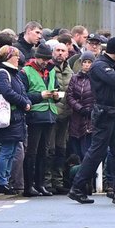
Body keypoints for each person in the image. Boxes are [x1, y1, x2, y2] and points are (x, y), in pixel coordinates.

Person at [69, 38, 115, 205]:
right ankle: (77, 187)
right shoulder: (100, 65)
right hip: (104, 113)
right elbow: (114, 79)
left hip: (114, 113)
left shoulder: (109, 64)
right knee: (96, 152)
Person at [20, 43, 65, 197]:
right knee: (32, 152)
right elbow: (23, 95)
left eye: (47, 59)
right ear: (36, 57)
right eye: (42, 59)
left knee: (44, 153)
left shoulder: (51, 71)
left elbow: (57, 88)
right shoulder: (26, 71)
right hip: (35, 116)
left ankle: (40, 184)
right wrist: (40, 96)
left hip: (50, 114)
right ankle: (29, 185)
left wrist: (56, 95)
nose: (45, 62)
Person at [0, 49, 32, 195]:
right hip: (9, 117)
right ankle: (1, 182)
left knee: (12, 150)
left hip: (16, 117)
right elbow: (7, 92)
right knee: (7, 150)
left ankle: (6, 180)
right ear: (8, 57)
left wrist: (27, 102)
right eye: (16, 56)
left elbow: (22, 92)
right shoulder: (3, 73)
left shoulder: (14, 73)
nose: (18, 58)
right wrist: (23, 103)